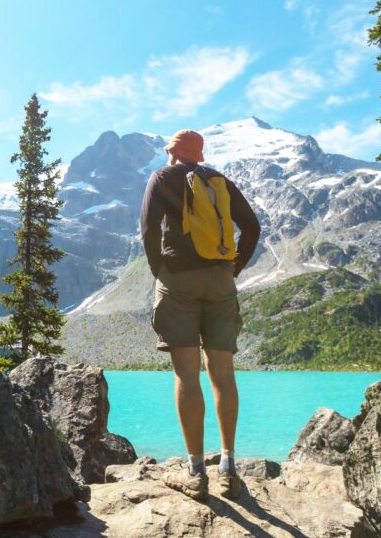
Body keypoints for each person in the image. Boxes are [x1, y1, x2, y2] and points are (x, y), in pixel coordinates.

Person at [139, 129, 261, 501]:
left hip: (179, 282)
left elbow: (147, 228)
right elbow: (252, 226)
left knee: (187, 372)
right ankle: (228, 468)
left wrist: (161, 272)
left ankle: (195, 472)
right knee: (222, 374)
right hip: (220, 280)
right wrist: (234, 268)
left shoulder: (161, 177)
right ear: (198, 154)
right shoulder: (218, 180)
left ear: (173, 153)